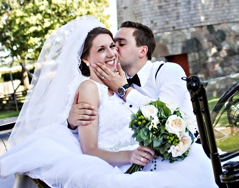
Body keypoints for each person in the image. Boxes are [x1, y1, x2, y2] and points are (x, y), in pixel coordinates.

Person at [0, 16, 221, 188]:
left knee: (194, 167)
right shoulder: (90, 88)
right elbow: (89, 149)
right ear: (85, 59)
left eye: (114, 46)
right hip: (121, 163)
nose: (112, 52)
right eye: (102, 49)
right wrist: (129, 155)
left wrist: (123, 91)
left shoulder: (123, 85)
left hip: (153, 153)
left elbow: (161, 111)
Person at [68, 21, 196, 133]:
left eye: (121, 44)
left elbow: (166, 114)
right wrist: (72, 123)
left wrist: (124, 89)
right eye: (113, 44)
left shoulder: (169, 71)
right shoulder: (109, 84)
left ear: (142, 51)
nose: (114, 50)